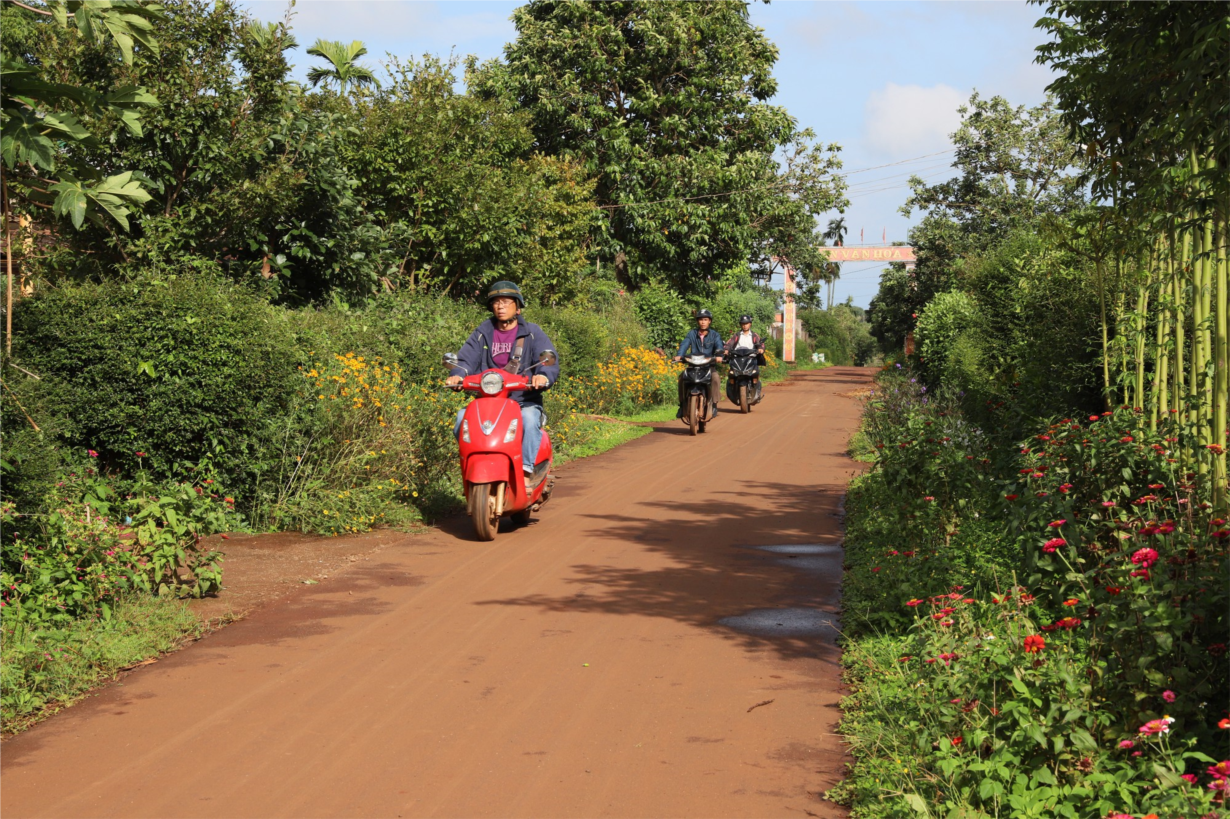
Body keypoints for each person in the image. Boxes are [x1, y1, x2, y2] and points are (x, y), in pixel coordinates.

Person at [447, 281, 560, 481]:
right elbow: (466, 360)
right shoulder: (482, 333)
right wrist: (458, 375)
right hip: (487, 403)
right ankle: (471, 464)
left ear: (517, 306)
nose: (501, 306)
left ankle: (526, 471)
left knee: (529, 419)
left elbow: (547, 361)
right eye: (496, 302)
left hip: (523, 400)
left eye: (506, 302)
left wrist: (543, 375)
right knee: (461, 419)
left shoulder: (532, 332)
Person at [673, 309, 724, 419]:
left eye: (705, 319)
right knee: (682, 378)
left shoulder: (715, 335)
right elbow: (684, 344)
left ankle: (714, 405)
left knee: (715, 378)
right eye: (701, 319)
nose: (703, 322)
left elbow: (719, 346)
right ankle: (682, 405)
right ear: (697, 321)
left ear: (709, 321)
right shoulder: (692, 334)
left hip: (708, 366)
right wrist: (679, 355)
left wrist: (720, 356)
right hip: (693, 367)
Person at [724, 314, 766, 400]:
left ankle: (756, 388)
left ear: (750, 324)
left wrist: (761, 349)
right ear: (740, 324)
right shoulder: (737, 335)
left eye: (746, 323)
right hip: (738, 360)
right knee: (732, 374)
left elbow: (760, 344)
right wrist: (726, 350)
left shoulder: (754, 335)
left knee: (755, 373)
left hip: (751, 359)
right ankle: (733, 388)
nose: (745, 325)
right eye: (743, 324)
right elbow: (729, 343)